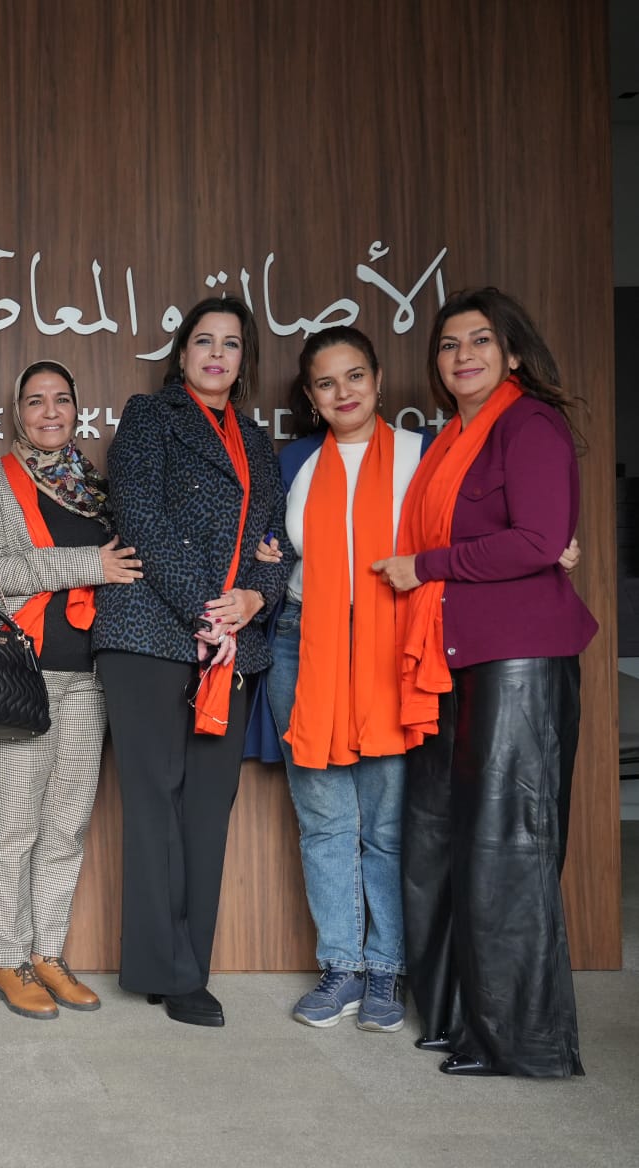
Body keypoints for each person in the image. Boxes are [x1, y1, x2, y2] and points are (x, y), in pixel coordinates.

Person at [373, 288, 596, 1077]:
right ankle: (455, 1015)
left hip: (519, 661)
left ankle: (520, 1042)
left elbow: (538, 539)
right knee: (437, 839)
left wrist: (426, 566)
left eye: (479, 340)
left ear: (512, 352)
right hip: (453, 658)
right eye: (448, 344)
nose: (462, 355)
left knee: (508, 846)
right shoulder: (451, 441)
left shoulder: (529, 424)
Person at [91, 295, 288, 1028]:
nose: (216, 355)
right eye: (204, 341)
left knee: (207, 807)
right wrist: (211, 608)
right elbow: (140, 517)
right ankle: (166, 972)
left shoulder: (256, 441)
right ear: (182, 355)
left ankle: (186, 967)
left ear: (243, 360)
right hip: (149, 635)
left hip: (231, 644)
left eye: (231, 344)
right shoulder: (151, 417)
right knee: (155, 805)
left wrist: (255, 598)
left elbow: (276, 542)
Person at [254, 327, 424, 1032]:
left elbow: (462, 535)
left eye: (355, 376)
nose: (343, 392)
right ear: (311, 396)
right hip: (304, 645)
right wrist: (266, 556)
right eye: (326, 383)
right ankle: (341, 967)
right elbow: (265, 546)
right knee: (325, 821)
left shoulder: (421, 453)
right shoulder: (293, 461)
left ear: (378, 379)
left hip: (389, 646)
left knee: (385, 823)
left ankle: (387, 969)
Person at [0, 360, 141, 1019]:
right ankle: (9, 959)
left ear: (76, 410)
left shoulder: (98, 491)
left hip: (88, 679)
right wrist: (90, 564)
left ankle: (48, 954)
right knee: (13, 827)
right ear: (17, 413)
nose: (49, 411)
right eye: (35, 401)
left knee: (65, 828)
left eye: (61, 399)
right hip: (19, 676)